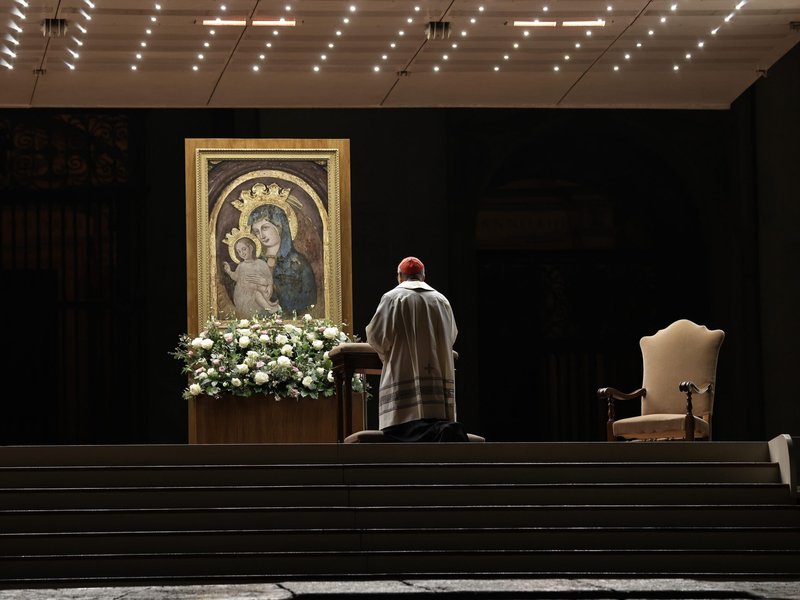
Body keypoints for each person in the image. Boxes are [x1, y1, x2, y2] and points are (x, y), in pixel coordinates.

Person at [366, 256, 467, 442]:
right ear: (423, 277)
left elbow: (377, 338)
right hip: (437, 382)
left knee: (405, 425)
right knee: (435, 422)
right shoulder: (441, 300)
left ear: (399, 277)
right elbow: (451, 336)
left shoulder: (392, 298)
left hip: (403, 375)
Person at [247, 204, 317, 315]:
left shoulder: (298, 262)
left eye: (265, 228)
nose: (261, 235)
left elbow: (309, 299)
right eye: (256, 231)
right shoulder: (255, 262)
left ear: (279, 227)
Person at [223, 237, 281, 318]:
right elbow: (236, 277)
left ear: (250, 248)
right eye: (239, 251)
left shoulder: (261, 263)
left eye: (244, 249)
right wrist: (229, 271)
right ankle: (269, 307)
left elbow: (268, 277)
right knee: (256, 292)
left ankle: (269, 304)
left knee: (261, 290)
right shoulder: (241, 266)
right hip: (243, 296)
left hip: (258, 290)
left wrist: (268, 284)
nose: (242, 253)